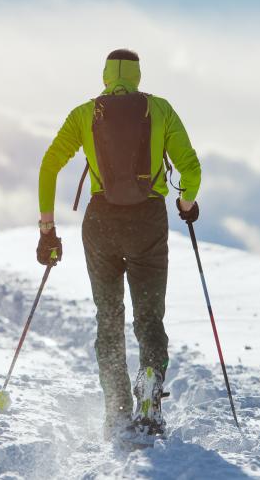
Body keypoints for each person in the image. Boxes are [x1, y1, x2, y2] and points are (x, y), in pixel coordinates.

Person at [35, 48, 201, 439]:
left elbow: (49, 165)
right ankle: (150, 391)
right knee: (149, 318)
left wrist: (47, 228)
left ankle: (117, 407)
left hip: (100, 222)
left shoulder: (84, 113)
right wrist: (186, 203)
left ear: (106, 75)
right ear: (139, 75)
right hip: (148, 221)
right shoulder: (160, 109)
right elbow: (190, 170)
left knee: (108, 318)